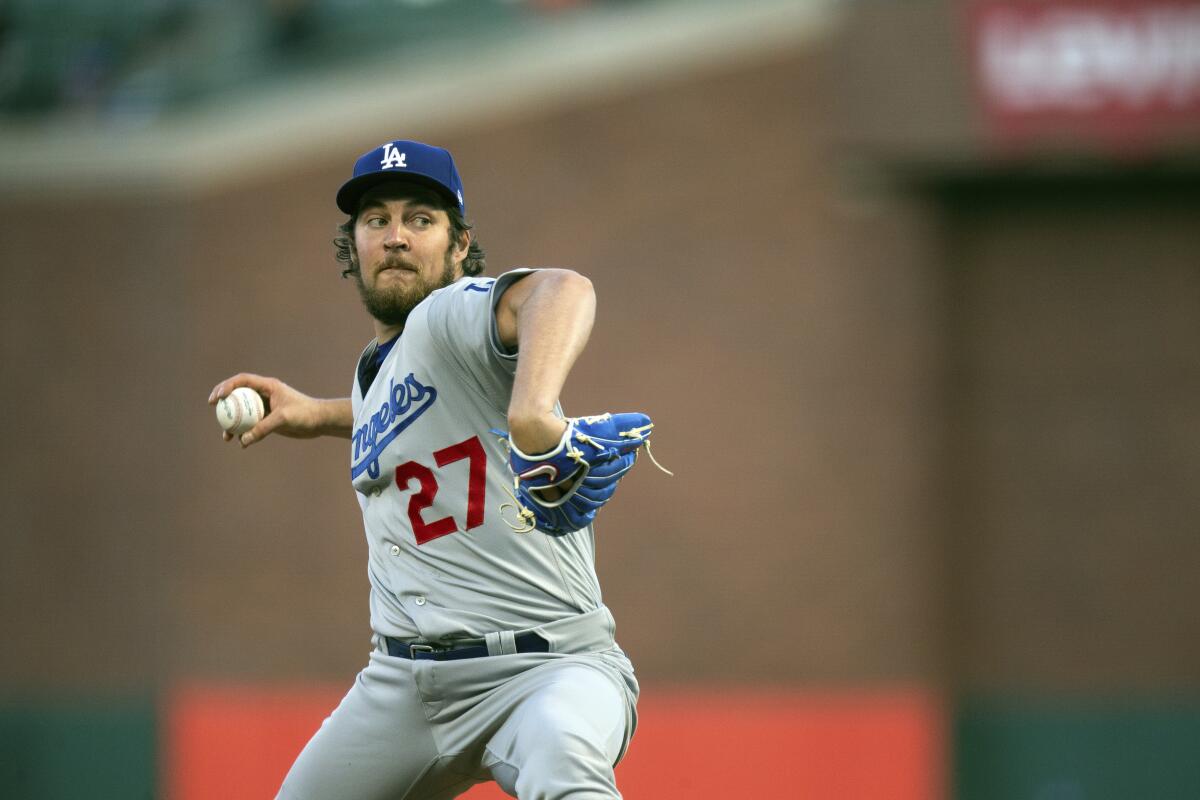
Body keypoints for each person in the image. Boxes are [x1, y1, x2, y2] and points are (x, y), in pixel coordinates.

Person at [208, 139, 654, 799]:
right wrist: (319, 414)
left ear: (459, 245)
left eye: (420, 219)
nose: (394, 237)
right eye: (375, 220)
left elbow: (562, 289)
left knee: (564, 763)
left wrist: (534, 414)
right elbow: (409, 418)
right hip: (403, 691)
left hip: (545, 668)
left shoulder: (453, 314)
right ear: (352, 245)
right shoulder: (379, 369)